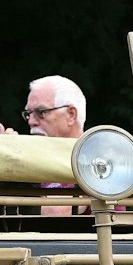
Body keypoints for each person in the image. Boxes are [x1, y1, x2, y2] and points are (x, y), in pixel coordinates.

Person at [24, 76, 86, 215]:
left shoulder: (98, 161)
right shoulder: (33, 159)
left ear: (71, 115)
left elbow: (57, 212)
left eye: (41, 112)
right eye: (28, 113)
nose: (31, 122)